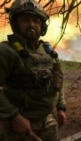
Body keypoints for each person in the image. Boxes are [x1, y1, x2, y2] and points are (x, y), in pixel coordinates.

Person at [0, 0, 66, 140]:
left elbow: (57, 81)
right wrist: (15, 117)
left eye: (36, 20)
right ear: (15, 24)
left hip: (48, 121)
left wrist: (61, 107)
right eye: (25, 20)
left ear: (42, 25)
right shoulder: (6, 51)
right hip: (19, 127)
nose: (31, 24)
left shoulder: (48, 52)